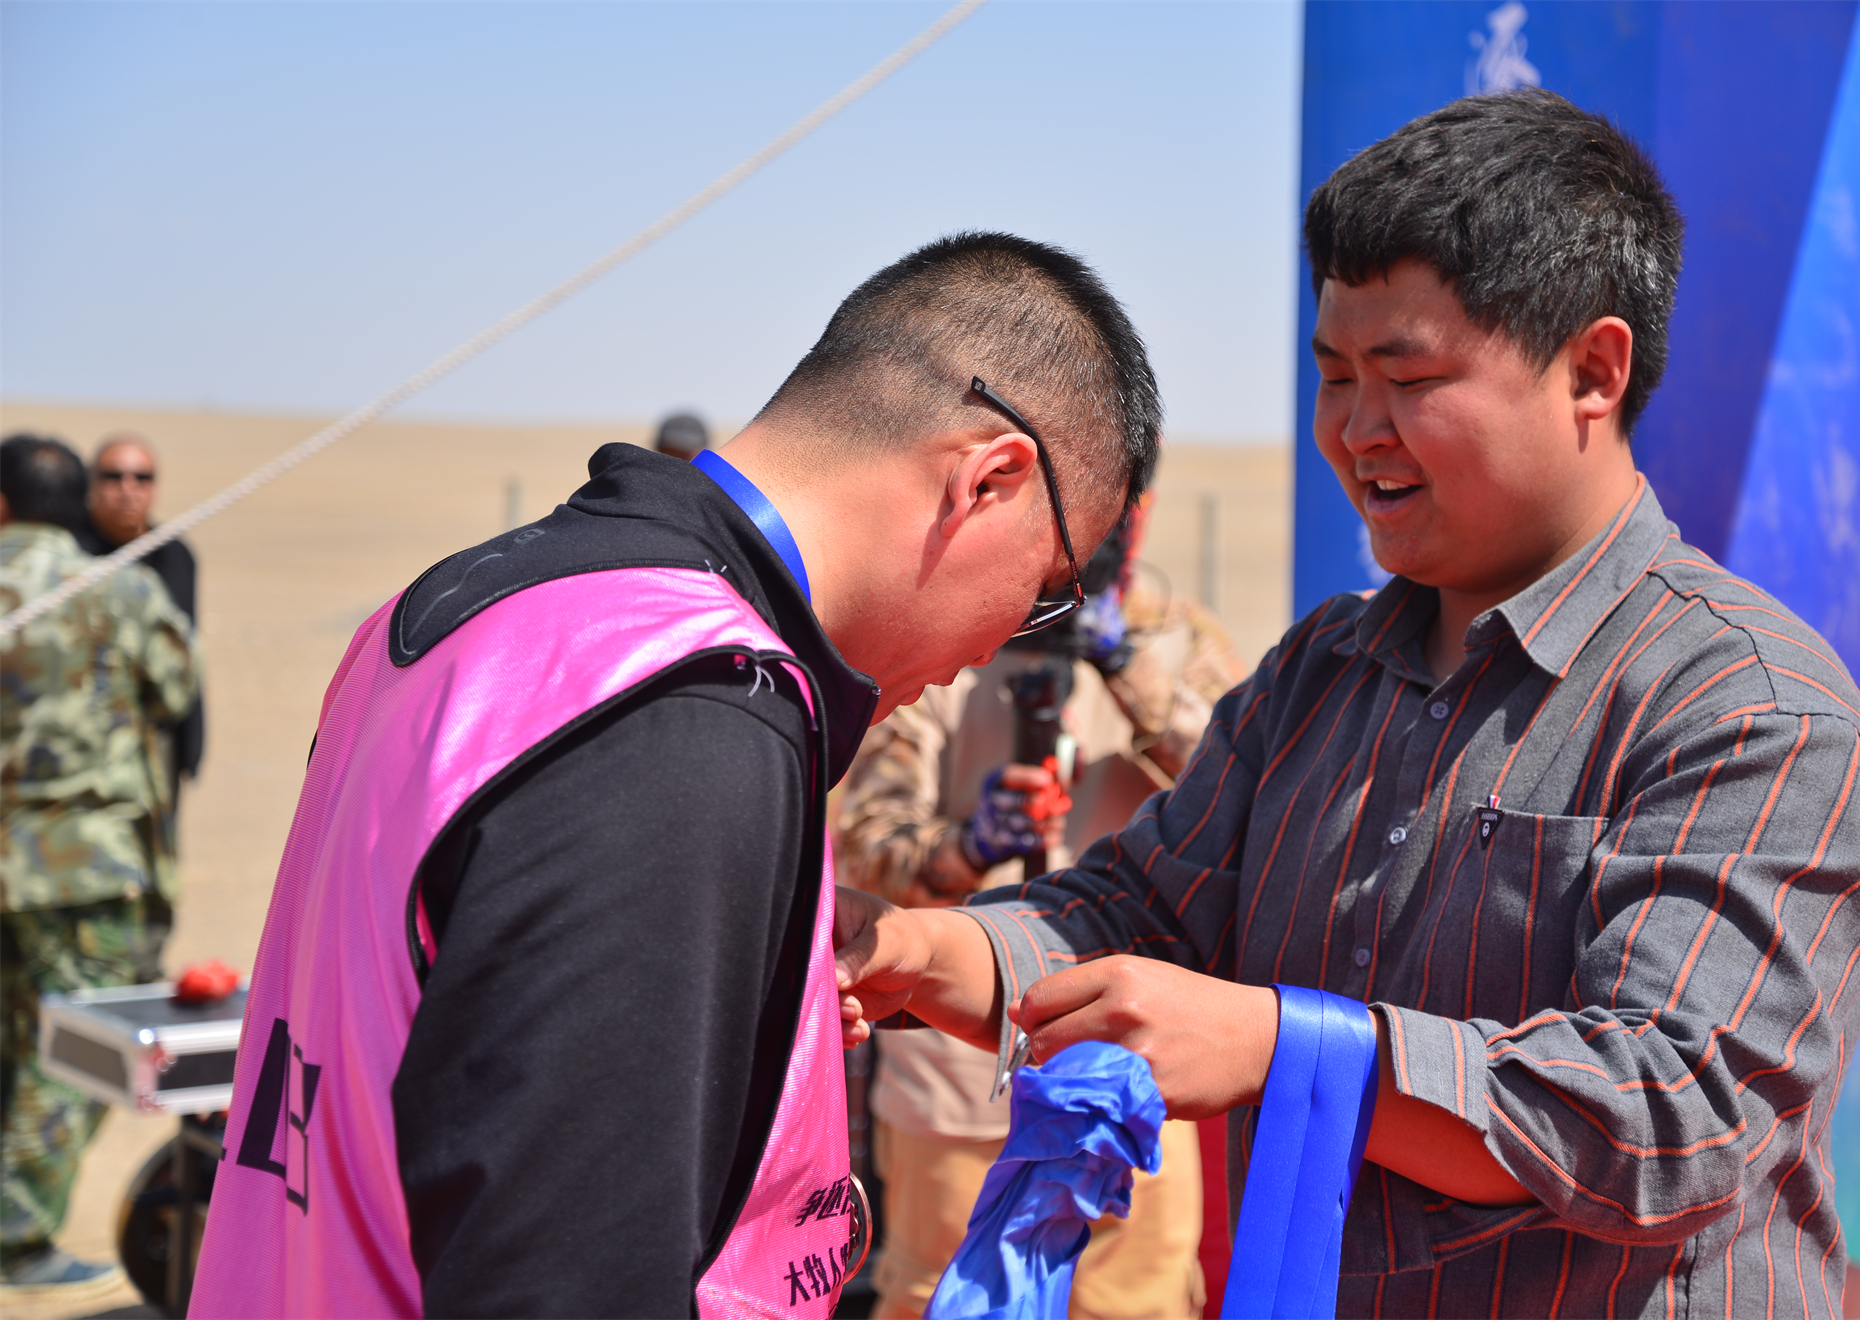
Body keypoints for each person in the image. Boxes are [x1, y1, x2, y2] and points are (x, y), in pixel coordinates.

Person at [835, 92, 1860, 1317]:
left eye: (1409, 376)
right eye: (1335, 375)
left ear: (1593, 372)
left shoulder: (1747, 711)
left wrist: (1284, 1051)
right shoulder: (1322, 672)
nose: (1355, 431)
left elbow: (1666, 1115)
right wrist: (917, 951)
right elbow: (1140, 913)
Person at [190, 231, 1162, 1319]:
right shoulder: (688, 713)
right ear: (989, 480)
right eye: (1045, 585)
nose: (1003, 643)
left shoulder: (483, 607)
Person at [837, 503, 1245, 1319]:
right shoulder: (947, 633)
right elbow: (865, 841)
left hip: (1135, 1066)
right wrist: (970, 846)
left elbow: (1244, 784)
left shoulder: (1177, 639)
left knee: (1136, 1305)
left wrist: (1122, 661)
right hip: (955, 1083)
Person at [0, 434, 198, 1301]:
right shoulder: (118, 586)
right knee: (76, 1058)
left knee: (15, 1043)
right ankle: (16, 1235)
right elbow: (178, 688)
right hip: (83, 868)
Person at [75, 433, 204, 913]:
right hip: (87, 745)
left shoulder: (175, 554)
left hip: (158, 742)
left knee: (155, 866)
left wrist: (191, 742)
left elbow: (189, 653)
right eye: (113, 476)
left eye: (141, 477)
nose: (127, 489)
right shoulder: (74, 558)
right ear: (91, 484)